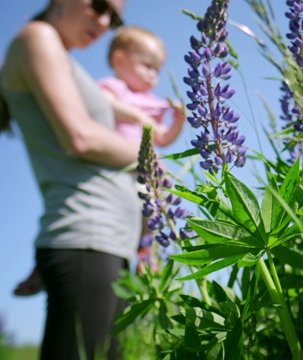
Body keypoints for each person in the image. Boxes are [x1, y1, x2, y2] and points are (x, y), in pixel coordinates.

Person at [0, 1, 140, 358]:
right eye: (98, 6)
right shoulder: (37, 38)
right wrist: (151, 157)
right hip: (87, 236)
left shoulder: (66, 62)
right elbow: (80, 137)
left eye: (114, 17)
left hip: (108, 242)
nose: (103, 21)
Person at [12, 25, 184, 295]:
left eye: (157, 70)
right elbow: (105, 103)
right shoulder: (112, 88)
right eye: (147, 66)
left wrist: (178, 123)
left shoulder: (152, 101)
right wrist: (139, 115)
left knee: (156, 209)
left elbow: (162, 138)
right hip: (116, 165)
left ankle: (148, 254)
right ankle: (38, 271)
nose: (154, 75)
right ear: (120, 61)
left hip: (140, 172)